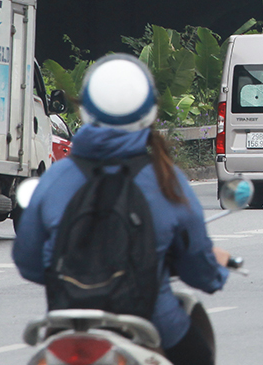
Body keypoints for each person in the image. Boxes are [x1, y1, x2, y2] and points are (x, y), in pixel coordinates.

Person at [13, 55, 231, 365]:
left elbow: (29, 262)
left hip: (64, 327)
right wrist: (217, 269)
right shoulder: (167, 181)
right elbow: (201, 270)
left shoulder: (56, 178)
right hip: (152, 322)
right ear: (149, 113)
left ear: (85, 110)